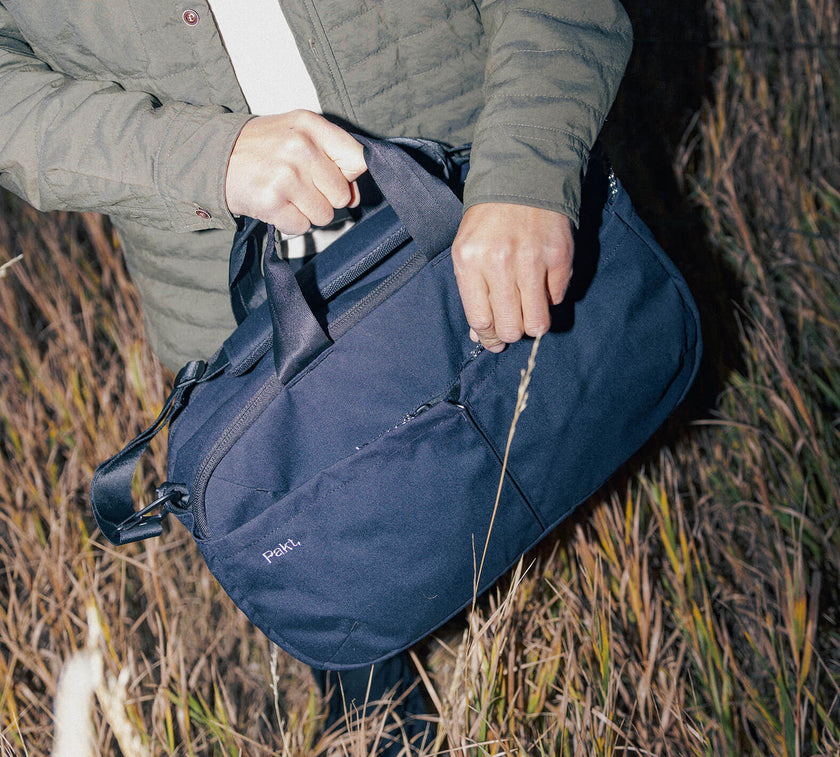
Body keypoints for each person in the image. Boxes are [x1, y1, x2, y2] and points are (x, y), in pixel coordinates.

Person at [0, 0, 632, 748]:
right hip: (226, 290)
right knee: (354, 606)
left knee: (567, 434)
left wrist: (525, 165)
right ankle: (377, 694)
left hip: (469, 194)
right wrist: (205, 155)